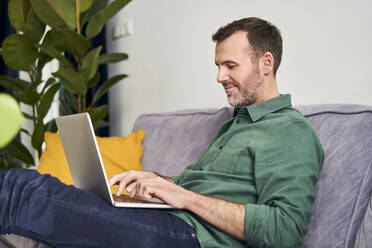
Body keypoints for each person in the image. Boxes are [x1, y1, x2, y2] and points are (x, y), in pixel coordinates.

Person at [0, 17, 324, 248]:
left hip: (192, 238)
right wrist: (159, 183)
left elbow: (285, 230)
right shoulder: (237, 123)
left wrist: (184, 197)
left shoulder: (290, 130)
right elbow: (210, 190)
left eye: (230, 65)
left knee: (25, 189)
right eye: (217, 66)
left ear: (266, 63)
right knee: (36, 211)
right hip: (169, 221)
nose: (219, 76)